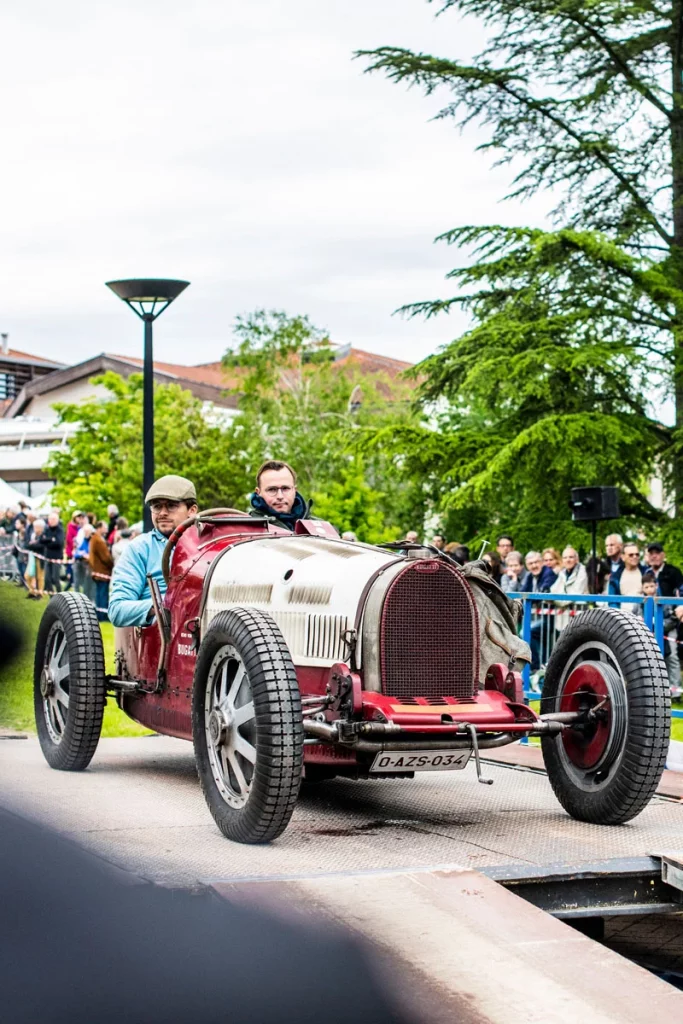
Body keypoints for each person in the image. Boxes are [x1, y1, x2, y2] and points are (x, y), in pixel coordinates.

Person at [109, 476, 198, 628]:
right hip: (162, 636)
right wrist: (165, 604)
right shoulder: (140, 548)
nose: (162, 513)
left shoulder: (208, 544)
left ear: (192, 510)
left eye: (171, 506)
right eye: (157, 507)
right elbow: (117, 609)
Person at [520, 551, 557, 672]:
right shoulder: (530, 576)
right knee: (529, 634)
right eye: (531, 563)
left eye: (536, 562)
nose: (534, 566)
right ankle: (539, 665)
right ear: (527, 565)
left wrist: (529, 598)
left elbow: (543, 592)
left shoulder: (548, 573)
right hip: (537, 617)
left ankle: (534, 666)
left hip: (550, 619)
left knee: (526, 632)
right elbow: (523, 592)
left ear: (542, 562)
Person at [249, 461, 314, 532]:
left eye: (285, 488)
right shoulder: (248, 528)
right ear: (258, 492)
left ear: (294, 490)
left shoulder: (318, 527)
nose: (280, 496)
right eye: (272, 489)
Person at [607, 541, 646, 612]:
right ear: (623, 557)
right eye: (631, 555)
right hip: (623, 617)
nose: (635, 557)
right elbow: (612, 601)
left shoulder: (647, 573)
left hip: (645, 615)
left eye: (637, 554)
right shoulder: (615, 577)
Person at [89, 520, 114, 622]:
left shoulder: (94, 538)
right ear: (99, 528)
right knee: (102, 594)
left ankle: (100, 615)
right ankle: (102, 616)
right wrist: (113, 564)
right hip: (102, 571)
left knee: (100, 593)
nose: (107, 529)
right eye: (105, 527)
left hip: (98, 571)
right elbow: (106, 558)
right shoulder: (98, 540)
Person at [42, 511, 64, 594]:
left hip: (56, 558)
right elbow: (42, 540)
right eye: (50, 519)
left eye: (53, 519)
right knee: (47, 579)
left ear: (57, 520)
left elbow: (59, 543)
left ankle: (60, 595)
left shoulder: (60, 530)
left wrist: (48, 540)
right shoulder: (47, 529)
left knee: (55, 578)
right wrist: (51, 539)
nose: (51, 521)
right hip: (48, 556)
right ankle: (52, 597)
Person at [25, 518, 46, 599]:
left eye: (36, 527)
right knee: (27, 575)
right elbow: (27, 544)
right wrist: (33, 545)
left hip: (40, 558)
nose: (35, 529)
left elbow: (41, 546)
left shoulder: (43, 536)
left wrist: (32, 545)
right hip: (32, 558)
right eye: (34, 527)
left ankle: (39, 594)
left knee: (40, 577)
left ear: (41, 528)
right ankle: (32, 591)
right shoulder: (33, 535)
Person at [65, 511, 85, 591]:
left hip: (79, 551)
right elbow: (69, 540)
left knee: (75, 573)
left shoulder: (80, 527)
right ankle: (69, 586)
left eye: (81, 518)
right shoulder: (71, 526)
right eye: (78, 517)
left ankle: (69, 585)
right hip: (72, 552)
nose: (80, 519)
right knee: (71, 572)